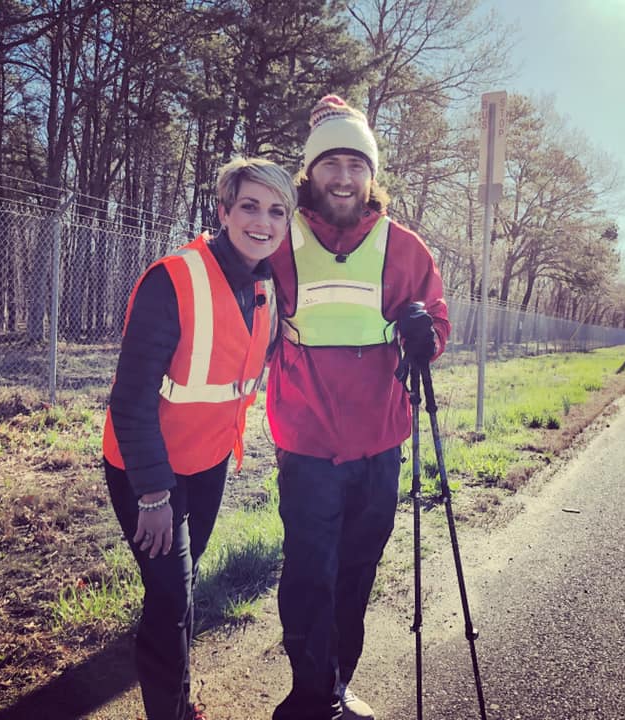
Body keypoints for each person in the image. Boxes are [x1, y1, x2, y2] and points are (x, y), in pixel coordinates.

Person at [266, 95, 451, 720]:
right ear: (309, 173)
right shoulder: (279, 239)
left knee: (356, 571)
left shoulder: (404, 247)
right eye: (330, 164)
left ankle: (338, 687)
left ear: (372, 175)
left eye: (356, 164)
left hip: (380, 443)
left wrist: (426, 332)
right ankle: (307, 693)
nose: (343, 178)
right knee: (309, 572)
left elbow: (434, 316)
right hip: (307, 441)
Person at [102, 157, 297, 720]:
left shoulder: (267, 285)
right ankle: (174, 711)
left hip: (209, 463)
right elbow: (131, 398)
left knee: (178, 588)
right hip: (146, 471)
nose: (262, 222)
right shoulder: (174, 278)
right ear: (223, 211)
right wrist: (154, 495)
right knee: (171, 595)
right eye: (249, 207)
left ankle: (172, 682)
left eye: (276, 211)